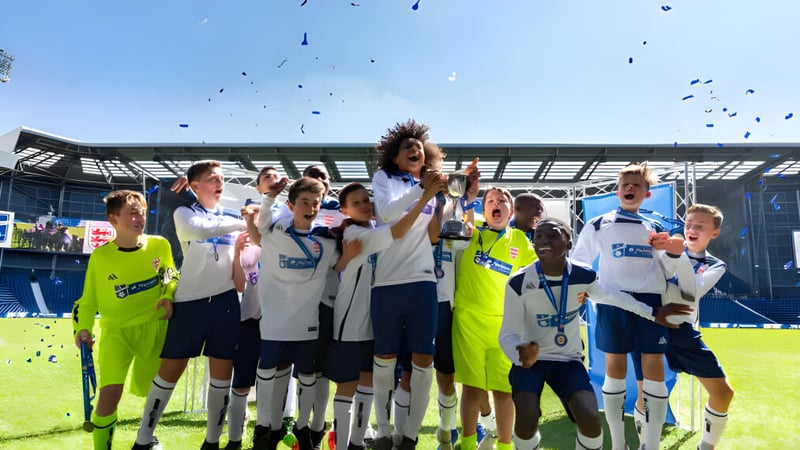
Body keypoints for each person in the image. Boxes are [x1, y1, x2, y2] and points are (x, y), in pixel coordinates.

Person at [133, 160, 247, 450]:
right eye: (212, 178)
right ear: (195, 185)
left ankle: (212, 442)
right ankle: (143, 439)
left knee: (222, 376)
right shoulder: (184, 213)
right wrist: (242, 223)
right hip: (189, 303)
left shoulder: (232, 216)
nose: (219, 183)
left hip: (225, 303)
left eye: (221, 178)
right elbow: (199, 231)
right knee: (170, 371)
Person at [328, 179, 442, 450]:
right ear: (345, 210)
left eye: (366, 200)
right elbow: (399, 230)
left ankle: (359, 442)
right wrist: (425, 195)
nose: (365, 205)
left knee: (370, 381)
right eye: (356, 203)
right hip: (351, 321)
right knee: (348, 385)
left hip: (373, 319)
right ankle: (343, 445)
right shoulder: (355, 233)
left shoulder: (372, 228)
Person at [570, 162, 673, 450]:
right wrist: (581, 289)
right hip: (613, 303)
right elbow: (579, 261)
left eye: (636, 185)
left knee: (653, 373)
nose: (630, 187)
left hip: (652, 305)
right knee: (615, 369)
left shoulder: (656, 229)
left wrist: (668, 251)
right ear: (617, 191)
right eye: (625, 184)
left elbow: (667, 269)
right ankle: (618, 444)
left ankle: (650, 445)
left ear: (647, 194)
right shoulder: (599, 223)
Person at [612, 204, 732, 450]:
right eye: (689, 224)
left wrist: (678, 255)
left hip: (681, 331)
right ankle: (645, 445)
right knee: (646, 394)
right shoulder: (661, 249)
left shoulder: (715, 264)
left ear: (715, 233)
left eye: (700, 226)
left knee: (723, 393)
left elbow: (691, 293)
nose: (692, 230)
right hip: (648, 324)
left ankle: (706, 447)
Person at [72, 190, 178, 450]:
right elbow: (87, 301)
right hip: (115, 334)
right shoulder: (101, 256)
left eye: (142, 212)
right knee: (109, 394)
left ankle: (146, 438)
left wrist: (168, 296)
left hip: (154, 329)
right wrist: (82, 328)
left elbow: (169, 275)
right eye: (132, 213)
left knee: (154, 393)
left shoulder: (160, 245)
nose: (139, 218)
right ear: (113, 219)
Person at [249, 177, 342, 450]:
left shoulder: (326, 241)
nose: (311, 208)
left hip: (307, 322)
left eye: (315, 203)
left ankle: (303, 429)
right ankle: (264, 429)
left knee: (308, 375)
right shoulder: (275, 232)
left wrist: (351, 246)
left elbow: (339, 265)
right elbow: (261, 223)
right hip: (274, 321)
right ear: (290, 206)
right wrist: (269, 198)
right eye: (304, 202)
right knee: (266, 370)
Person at [369, 119, 445, 450]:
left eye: (418, 147)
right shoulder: (384, 179)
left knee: (424, 359)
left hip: (423, 281)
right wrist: (422, 192)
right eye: (407, 147)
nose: (414, 150)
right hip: (387, 282)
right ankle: (384, 431)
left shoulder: (429, 187)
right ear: (396, 157)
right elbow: (387, 215)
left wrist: (445, 199)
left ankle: (411, 436)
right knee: (384, 358)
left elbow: (434, 236)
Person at [499, 218, 607, 449]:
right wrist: (520, 355)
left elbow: (613, 297)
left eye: (552, 235)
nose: (544, 240)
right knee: (527, 414)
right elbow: (507, 333)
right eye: (538, 236)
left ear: (569, 242)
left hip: (568, 360)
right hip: (531, 363)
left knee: (590, 417)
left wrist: (653, 312)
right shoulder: (519, 282)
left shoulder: (584, 276)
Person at [452, 187, 536, 450]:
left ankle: (505, 445)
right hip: (468, 323)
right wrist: (469, 196)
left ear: (511, 211)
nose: (496, 204)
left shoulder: (519, 239)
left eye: (502, 201)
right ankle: (468, 444)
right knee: (471, 388)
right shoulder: (473, 228)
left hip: (505, 326)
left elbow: (539, 271)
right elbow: (463, 217)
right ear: (484, 210)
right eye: (490, 201)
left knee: (504, 390)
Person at [423, 142, 480, 450]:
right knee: (412, 375)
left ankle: (448, 431)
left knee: (451, 373)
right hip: (414, 300)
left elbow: (469, 238)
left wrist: (468, 196)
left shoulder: (452, 206)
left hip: (448, 303)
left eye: (437, 173)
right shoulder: (406, 206)